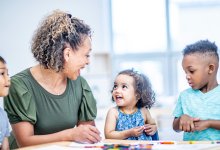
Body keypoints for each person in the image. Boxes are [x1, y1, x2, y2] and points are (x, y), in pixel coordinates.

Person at [4, 10, 101, 148]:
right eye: (86, 55)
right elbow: (25, 142)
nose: (88, 62)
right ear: (67, 54)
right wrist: (70, 134)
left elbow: (86, 136)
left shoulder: (81, 85)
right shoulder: (19, 85)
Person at [173, 40, 220, 140]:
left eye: (191, 71)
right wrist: (181, 119)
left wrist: (209, 123)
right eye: (185, 72)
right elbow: (175, 127)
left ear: (210, 69)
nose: (187, 76)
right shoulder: (184, 95)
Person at [104, 69, 158, 140]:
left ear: (137, 94)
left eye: (124, 87)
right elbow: (108, 135)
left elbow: (153, 125)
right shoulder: (113, 112)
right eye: (115, 86)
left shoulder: (144, 111)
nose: (117, 90)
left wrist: (153, 128)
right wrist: (129, 133)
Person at [0, 56, 10, 150]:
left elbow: (5, 147)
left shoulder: (3, 115)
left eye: (8, 74)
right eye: (2, 73)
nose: (8, 78)